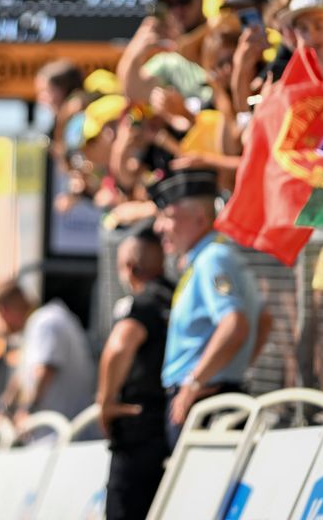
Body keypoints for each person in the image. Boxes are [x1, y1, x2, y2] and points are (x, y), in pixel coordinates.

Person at [150, 170, 270, 448]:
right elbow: (264, 321)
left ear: (200, 219)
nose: (159, 227)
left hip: (203, 403)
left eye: (168, 216)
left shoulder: (211, 259)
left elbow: (235, 325)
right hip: (210, 394)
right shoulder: (217, 255)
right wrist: (231, 370)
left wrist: (196, 382)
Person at [97, 228, 173, 520]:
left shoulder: (141, 304)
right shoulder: (176, 295)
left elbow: (118, 347)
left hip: (138, 426)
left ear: (129, 267)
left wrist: (105, 403)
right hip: (171, 421)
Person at [0, 279, 95, 423]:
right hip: (59, 428)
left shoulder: (45, 323)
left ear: (4, 311)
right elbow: (20, 377)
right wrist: (3, 408)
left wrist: (26, 411)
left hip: (64, 429)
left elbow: (45, 371)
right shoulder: (38, 324)